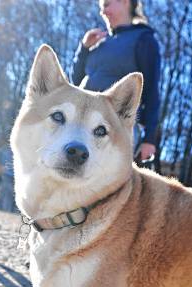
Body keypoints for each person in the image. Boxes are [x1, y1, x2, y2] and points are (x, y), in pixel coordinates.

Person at [71, 0, 161, 165]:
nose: (102, 12)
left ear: (125, 2)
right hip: (79, 121)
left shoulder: (144, 40)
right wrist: (84, 49)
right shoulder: (99, 42)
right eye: (101, 8)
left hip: (111, 130)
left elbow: (151, 92)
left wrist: (149, 139)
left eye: (106, 5)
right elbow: (76, 82)